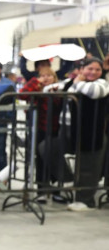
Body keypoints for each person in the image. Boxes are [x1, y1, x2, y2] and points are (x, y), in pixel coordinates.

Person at [45, 58, 109, 210]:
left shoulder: (102, 83)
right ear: (81, 70)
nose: (93, 72)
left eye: (97, 70)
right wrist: (72, 84)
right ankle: (67, 180)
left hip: (93, 132)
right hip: (68, 129)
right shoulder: (71, 82)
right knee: (46, 147)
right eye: (89, 69)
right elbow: (48, 89)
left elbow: (94, 92)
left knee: (89, 166)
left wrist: (76, 84)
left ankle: (85, 200)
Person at [19, 67, 64, 200]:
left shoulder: (60, 90)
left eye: (49, 75)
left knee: (55, 158)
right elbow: (22, 94)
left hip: (56, 129)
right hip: (40, 129)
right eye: (42, 75)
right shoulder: (36, 90)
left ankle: (56, 190)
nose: (46, 78)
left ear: (54, 77)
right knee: (40, 159)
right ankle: (42, 190)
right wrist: (34, 81)